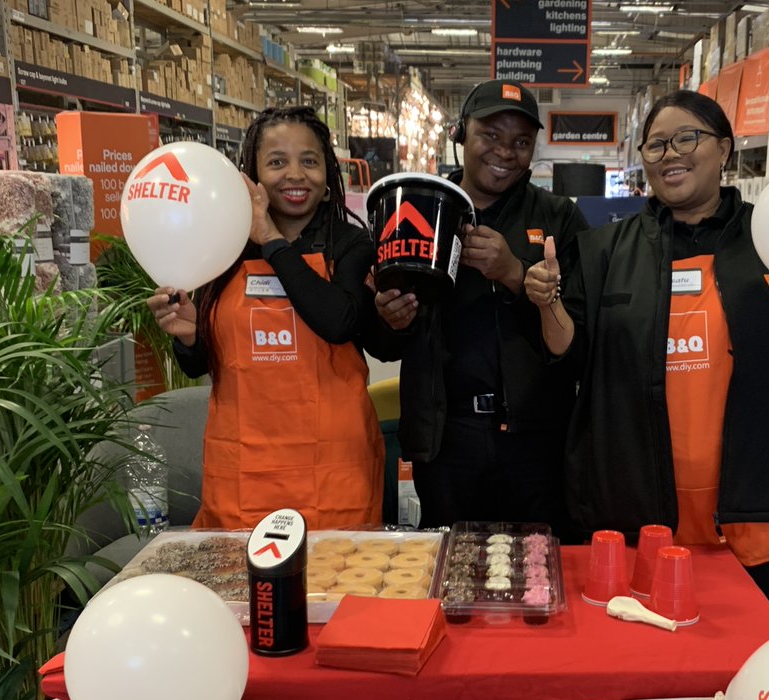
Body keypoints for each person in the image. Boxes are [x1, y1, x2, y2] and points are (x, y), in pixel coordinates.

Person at [524, 90, 769, 625]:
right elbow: (568, 352)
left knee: (751, 648)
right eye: (656, 144)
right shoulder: (606, 251)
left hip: (755, 507)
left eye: (687, 138)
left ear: (725, 150)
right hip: (637, 509)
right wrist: (547, 300)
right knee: (642, 660)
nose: (671, 154)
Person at [146, 106, 384, 531]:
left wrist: (271, 240)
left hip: (333, 471)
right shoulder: (224, 245)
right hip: (243, 470)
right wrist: (187, 336)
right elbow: (201, 364)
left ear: (327, 175)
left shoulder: (350, 243)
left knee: (336, 587)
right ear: (252, 175)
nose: (295, 174)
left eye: (309, 161)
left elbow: (338, 322)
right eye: (277, 162)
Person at [367, 80, 589, 535]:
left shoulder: (559, 218)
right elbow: (387, 344)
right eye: (491, 134)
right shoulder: (416, 210)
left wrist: (512, 272)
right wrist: (390, 319)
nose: (505, 152)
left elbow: (579, 339)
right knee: (450, 573)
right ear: (460, 133)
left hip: (537, 441)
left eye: (521, 142)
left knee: (539, 574)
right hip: (447, 441)